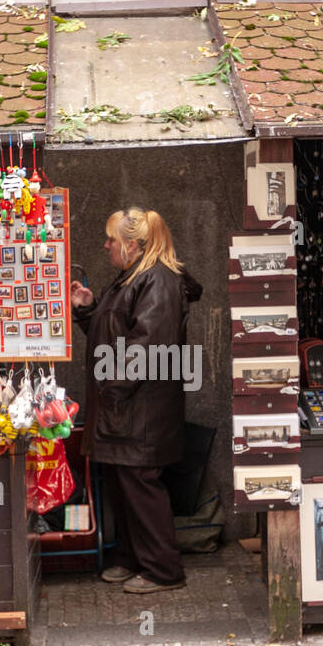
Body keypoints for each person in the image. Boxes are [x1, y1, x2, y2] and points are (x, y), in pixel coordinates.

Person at [71, 207, 203, 594]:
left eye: (112, 239)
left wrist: (112, 389)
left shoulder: (157, 280)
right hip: (126, 407)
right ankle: (132, 558)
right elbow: (117, 334)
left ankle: (163, 569)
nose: (106, 245)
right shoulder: (134, 278)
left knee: (140, 485)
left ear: (131, 245)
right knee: (123, 484)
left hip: (139, 410)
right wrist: (89, 310)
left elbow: (146, 346)